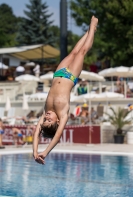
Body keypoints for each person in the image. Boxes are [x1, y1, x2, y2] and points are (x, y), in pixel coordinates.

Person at [33, 16, 98, 164]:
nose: (47, 117)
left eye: (45, 120)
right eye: (49, 120)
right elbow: (58, 135)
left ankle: (90, 31)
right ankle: (93, 25)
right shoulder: (63, 115)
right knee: (82, 52)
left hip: (58, 73)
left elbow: (36, 133)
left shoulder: (45, 112)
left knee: (74, 51)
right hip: (71, 76)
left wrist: (35, 152)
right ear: (56, 122)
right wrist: (46, 152)